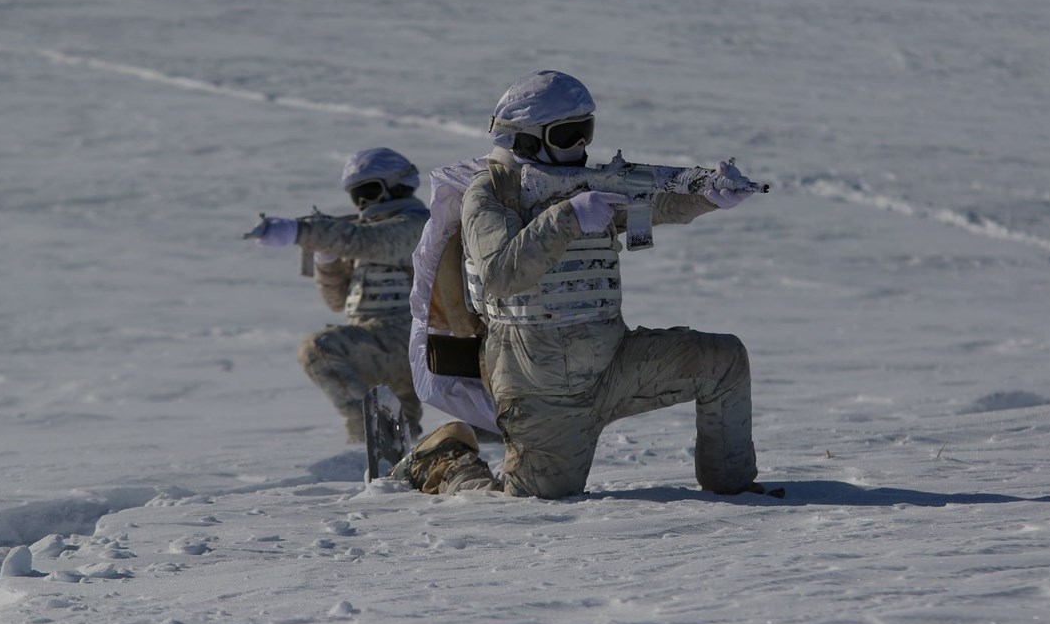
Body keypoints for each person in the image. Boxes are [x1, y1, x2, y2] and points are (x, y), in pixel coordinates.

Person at [395, 70, 766, 498]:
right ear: (527, 139)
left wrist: (707, 196)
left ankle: (733, 489)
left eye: (586, 132)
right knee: (525, 503)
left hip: (613, 363)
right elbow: (500, 274)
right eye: (569, 134)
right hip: (541, 386)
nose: (582, 147)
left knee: (723, 361)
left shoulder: (585, 188)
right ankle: (445, 459)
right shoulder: (492, 191)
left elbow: (652, 203)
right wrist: (567, 218)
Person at [246, 148, 430, 443]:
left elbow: (373, 242)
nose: (364, 203)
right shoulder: (360, 237)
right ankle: (393, 458)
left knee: (318, 349)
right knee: (403, 439)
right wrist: (327, 261)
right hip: (375, 343)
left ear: (398, 184)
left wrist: (302, 231)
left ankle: (366, 431)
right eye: (357, 197)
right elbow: (337, 302)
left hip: (412, 338)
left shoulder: (419, 225)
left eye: (370, 191)